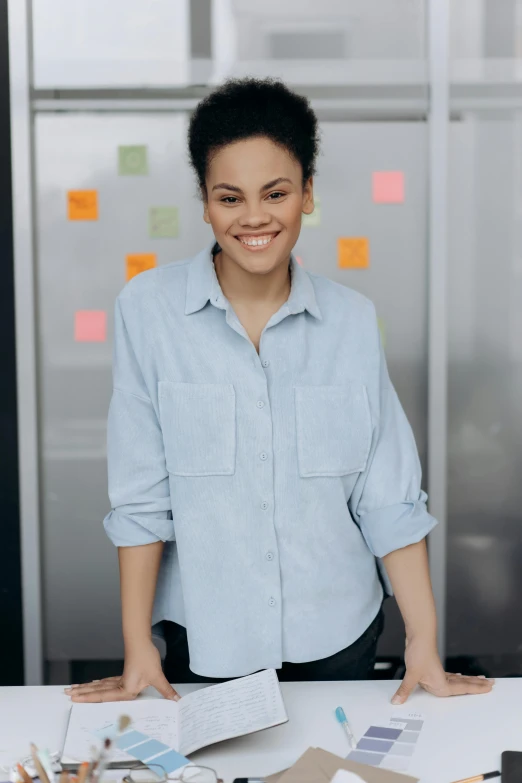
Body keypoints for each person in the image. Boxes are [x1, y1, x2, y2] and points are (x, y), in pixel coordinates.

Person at [66, 78, 493, 705]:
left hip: (339, 636)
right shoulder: (148, 311)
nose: (255, 217)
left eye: (276, 193)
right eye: (230, 197)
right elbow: (140, 498)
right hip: (207, 640)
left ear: (307, 194)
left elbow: (389, 496)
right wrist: (138, 646)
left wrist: (422, 640)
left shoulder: (350, 320)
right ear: (206, 204)